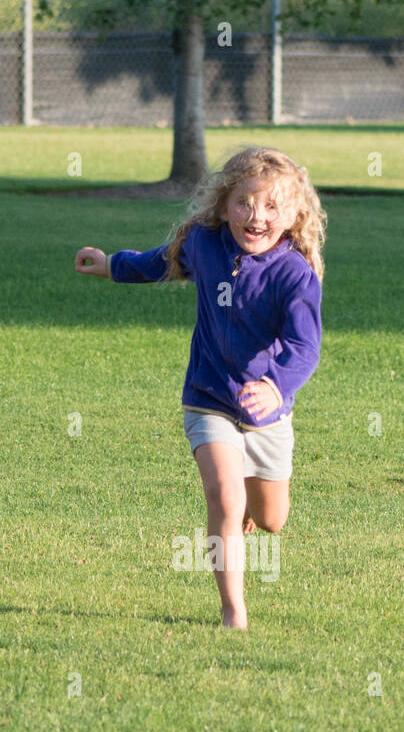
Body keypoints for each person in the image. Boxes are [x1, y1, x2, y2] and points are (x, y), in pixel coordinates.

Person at [75, 146, 325, 630]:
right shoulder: (205, 245)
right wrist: (111, 264)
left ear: (294, 214)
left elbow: (305, 347)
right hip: (208, 396)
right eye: (244, 203)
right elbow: (158, 262)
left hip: (267, 411)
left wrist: (276, 387)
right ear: (224, 203)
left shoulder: (295, 274)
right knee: (223, 499)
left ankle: (249, 505)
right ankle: (234, 612)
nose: (256, 217)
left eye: (272, 207)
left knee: (272, 519)